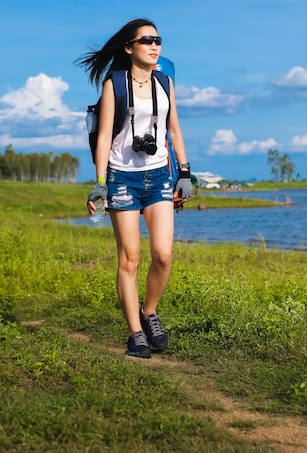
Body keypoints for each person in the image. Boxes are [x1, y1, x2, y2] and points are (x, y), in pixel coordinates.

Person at [77, 18, 192, 359]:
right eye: (146, 40)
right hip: (122, 177)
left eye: (158, 39)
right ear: (129, 47)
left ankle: (149, 311)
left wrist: (184, 173)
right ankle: (135, 333)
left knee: (164, 255)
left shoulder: (165, 83)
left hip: (159, 176)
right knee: (130, 258)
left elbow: (175, 130)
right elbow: (103, 138)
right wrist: (99, 183)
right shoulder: (115, 84)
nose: (154, 45)